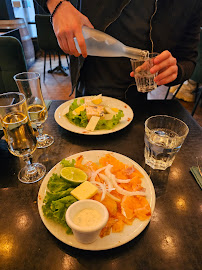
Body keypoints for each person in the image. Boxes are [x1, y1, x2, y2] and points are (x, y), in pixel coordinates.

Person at [35, 0, 201, 101]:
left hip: (140, 100)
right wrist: (57, 4)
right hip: (90, 86)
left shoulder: (191, 4)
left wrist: (175, 70)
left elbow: (188, 58)